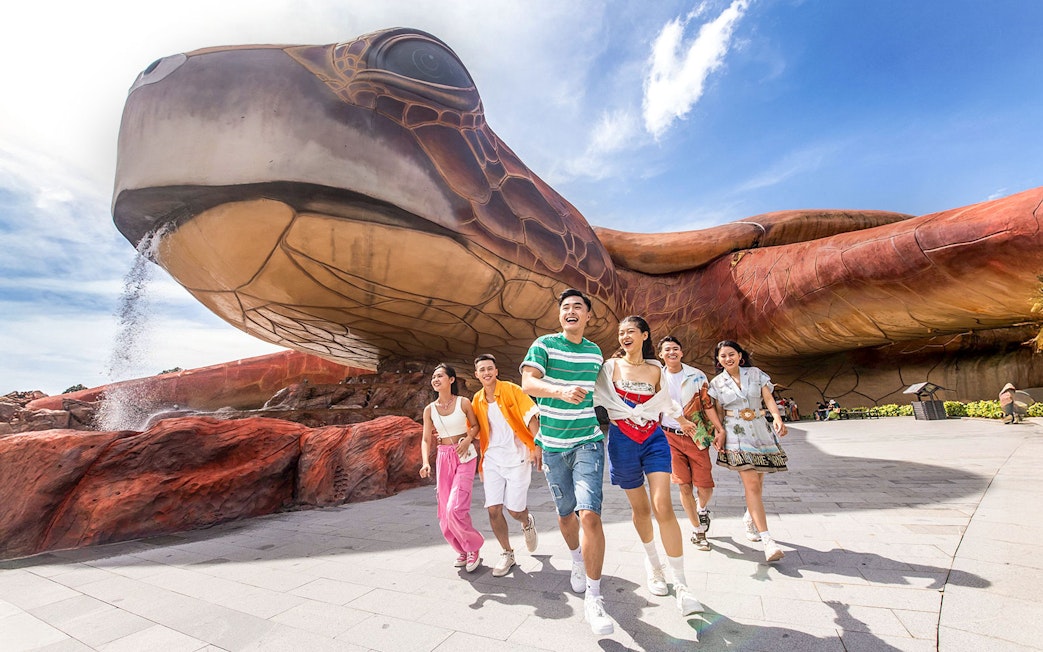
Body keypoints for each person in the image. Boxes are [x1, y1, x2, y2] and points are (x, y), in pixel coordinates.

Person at [593, 317, 704, 616]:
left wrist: (681, 420)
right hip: (622, 441)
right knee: (641, 510)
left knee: (662, 506)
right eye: (621, 333)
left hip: (654, 438)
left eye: (630, 331)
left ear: (644, 335)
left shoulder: (656, 368)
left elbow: (664, 401)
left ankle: (682, 585)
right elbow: (593, 397)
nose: (624, 336)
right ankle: (654, 564)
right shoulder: (609, 368)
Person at [520, 288, 613, 636]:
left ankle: (594, 596)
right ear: (560, 315)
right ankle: (576, 559)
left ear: (588, 316)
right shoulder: (544, 345)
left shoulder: (595, 353)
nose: (571, 311)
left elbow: (605, 392)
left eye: (578, 307)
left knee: (589, 513)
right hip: (554, 447)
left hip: (588, 441)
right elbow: (528, 382)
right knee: (565, 514)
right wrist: (559, 391)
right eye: (565, 308)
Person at [708, 340, 789, 562]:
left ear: (740, 355)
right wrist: (719, 432)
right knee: (752, 484)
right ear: (718, 360)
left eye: (731, 354)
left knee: (759, 482)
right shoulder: (716, 384)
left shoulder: (755, 373)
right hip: (736, 434)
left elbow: (768, 398)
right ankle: (768, 541)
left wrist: (778, 419)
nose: (727, 359)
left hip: (760, 430)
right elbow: (718, 411)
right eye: (722, 356)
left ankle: (749, 517)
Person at [471, 353, 541, 577]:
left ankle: (527, 520)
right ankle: (507, 553)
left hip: (517, 458)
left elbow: (531, 415)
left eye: (490, 368)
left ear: (496, 371)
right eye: (482, 370)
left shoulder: (512, 389)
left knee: (515, 510)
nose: (486, 373)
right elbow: (473, 428)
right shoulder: (476, 399)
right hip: (492, 460)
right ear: (477, 375)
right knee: (493, 509)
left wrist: (537, 445)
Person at [657, 335, 724, 552]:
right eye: (667, 350)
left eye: (675, 348)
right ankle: (697, 531)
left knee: (705, 486)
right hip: (669, 437)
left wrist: (718, 429)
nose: (671, 353)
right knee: (684, 485)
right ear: (661, 355)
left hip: (697, 434)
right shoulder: (656, 377)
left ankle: (701, 508)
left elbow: (707, 405)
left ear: (682, 352)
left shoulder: (696, 375)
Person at [419, 364, 484, 573]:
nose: (435, 379)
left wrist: (468, 439)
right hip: (443, 457)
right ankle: (462, 550)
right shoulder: (429, 409)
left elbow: (475, 426)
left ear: (451, 380)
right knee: (444, 513)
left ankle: (473, 547)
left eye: (440, 376)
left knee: (455, 507)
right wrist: (425, 462)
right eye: (433, 376)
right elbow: (426, 438)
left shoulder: (463, 403)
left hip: (465, 456)